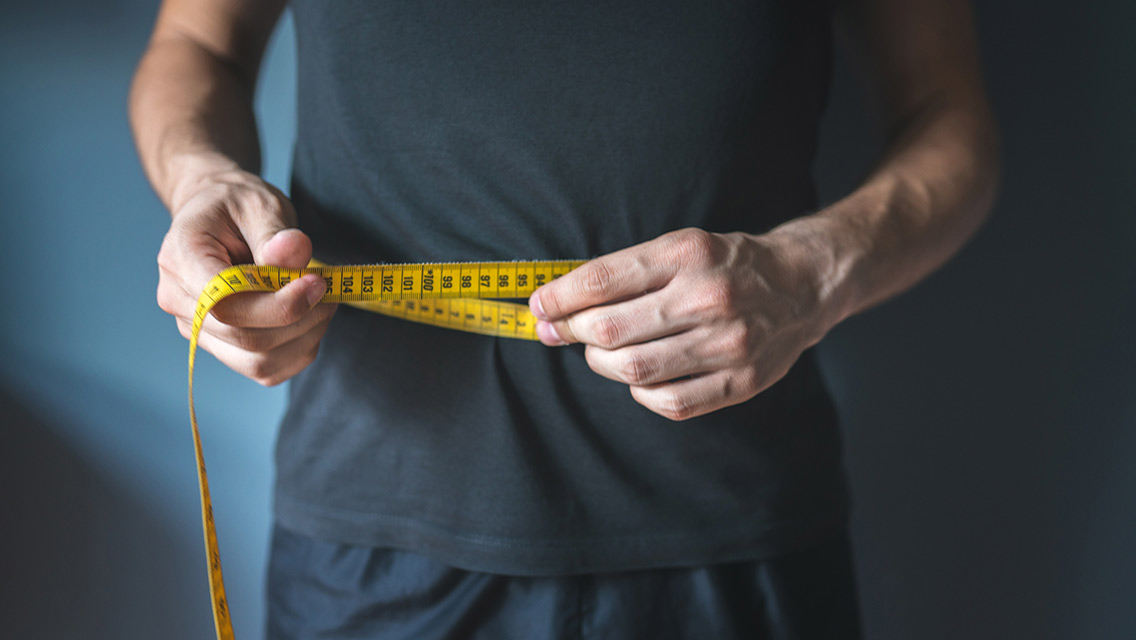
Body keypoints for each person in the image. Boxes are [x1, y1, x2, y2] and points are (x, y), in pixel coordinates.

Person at [130, 0, 998, 637]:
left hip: (736, 541)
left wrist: (815, 273)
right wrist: (199, 175)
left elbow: (946, 113)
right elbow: (197, 43)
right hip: (371, 547)